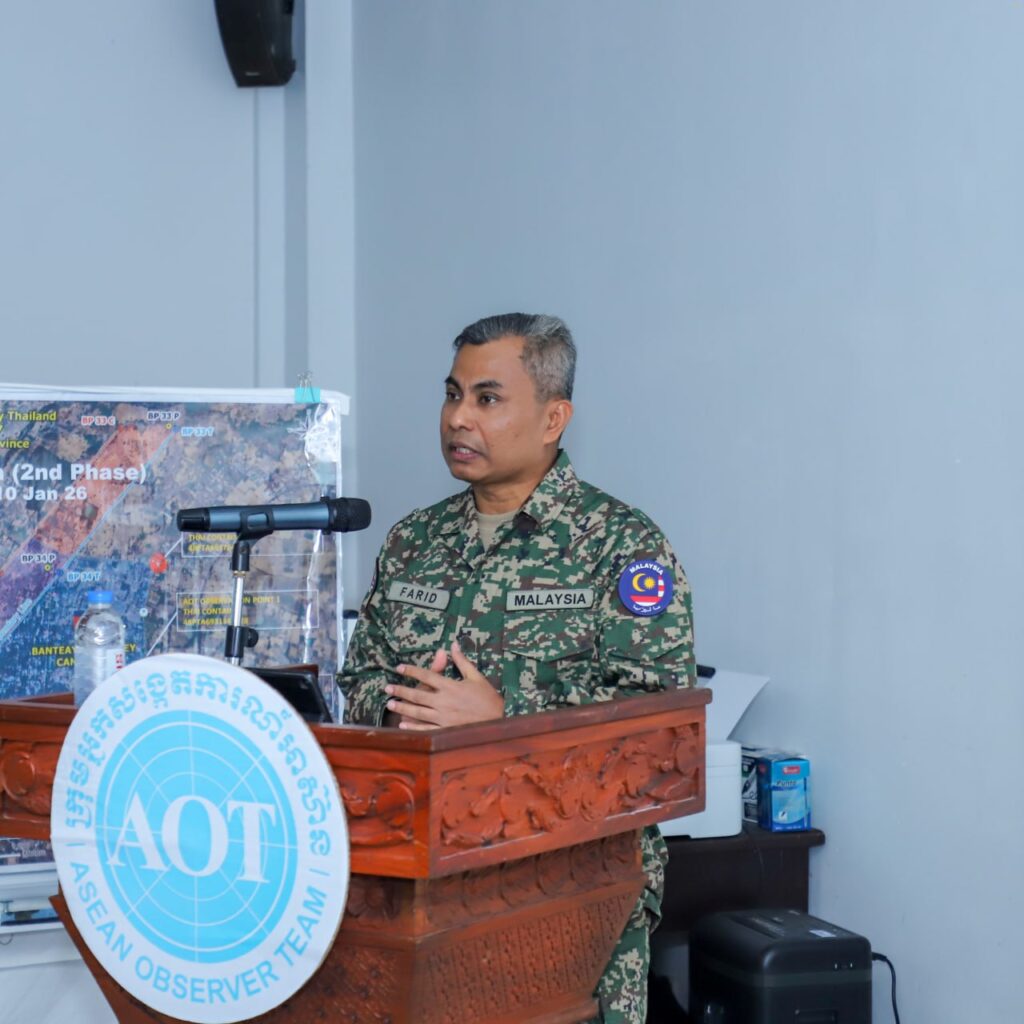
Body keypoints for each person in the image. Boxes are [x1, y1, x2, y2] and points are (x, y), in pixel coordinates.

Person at [339, 312, 696, 1023]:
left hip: (571, 896)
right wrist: (402, 709)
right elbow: (358, 684)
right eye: (452, 394)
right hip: (425, 886)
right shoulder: (414, 541)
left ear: (553, 418)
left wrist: (503, 718)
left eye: (488, 399)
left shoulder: (620, 546)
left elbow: (658, 731)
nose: (458, 418)